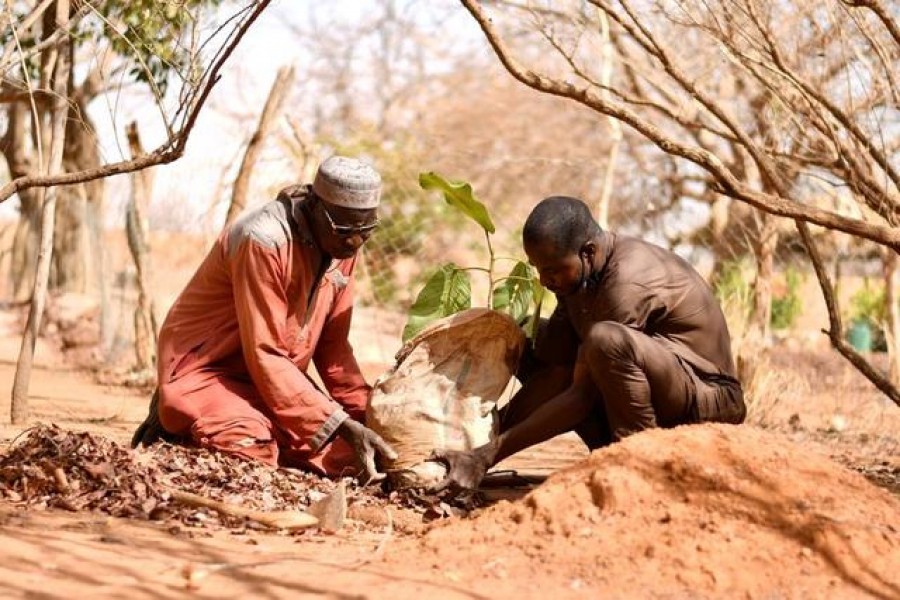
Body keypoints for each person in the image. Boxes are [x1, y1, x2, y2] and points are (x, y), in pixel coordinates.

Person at [434, 196, 745, 490]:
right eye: (539, 269)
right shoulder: (582, 279)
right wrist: (475, 445)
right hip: (662, 389)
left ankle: (638, 461)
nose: (544, 280)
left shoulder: (625, 281)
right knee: (531, 341)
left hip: (708, 398)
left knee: (604, 341)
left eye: (553, 269)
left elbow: (581, 395)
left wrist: (486, 457)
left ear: (588, 252)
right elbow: (555, 366)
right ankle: (614, 453)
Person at [131, 156, 397, 483]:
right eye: (344, 229)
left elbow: (335, 350)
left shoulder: (342, 248)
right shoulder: (263, 239)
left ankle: (247, 429)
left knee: (359, 461)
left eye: (365, 230)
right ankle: (181, 419)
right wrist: (338, 423)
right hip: (207, 369)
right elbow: (266, 351)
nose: (354, 241)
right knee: (249, 448)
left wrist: (366, 419)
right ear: (313, 203)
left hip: (273, 383)